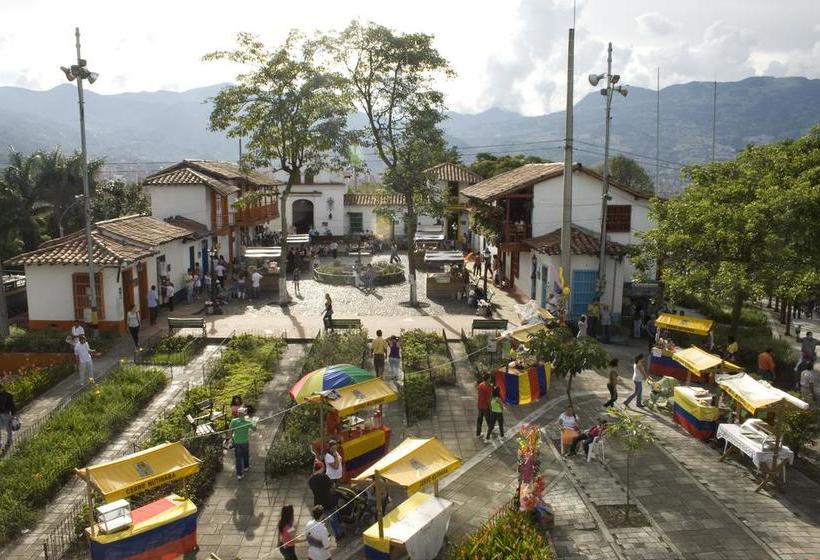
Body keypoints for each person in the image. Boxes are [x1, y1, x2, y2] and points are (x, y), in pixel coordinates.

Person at [308, 461, 342, 541]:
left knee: (321, 519)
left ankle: (325, 534)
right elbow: (333, 486)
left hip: (318, 503)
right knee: (333, 518)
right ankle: (338, 534)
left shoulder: (311, 479)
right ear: (322, 468)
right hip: (328, 501)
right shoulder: (324, 477)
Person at [229, 406, 254, 480]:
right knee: (245, 455)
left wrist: (231, 439)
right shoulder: (248, 421)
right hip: (244, 442)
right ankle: (246, 467)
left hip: (236, 442)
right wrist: (254, 422)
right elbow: (254, 429)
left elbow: (230, 430)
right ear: (244, 414)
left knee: (238, 458)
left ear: (238, 414)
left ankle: (239, 475)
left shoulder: (234, 421)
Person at [476, 374, 493, 438]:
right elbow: (488, 399)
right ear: (488, 379)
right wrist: (490, 407)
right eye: (490, 378)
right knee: (488, 419)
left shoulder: (480, 385)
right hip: (486, 407)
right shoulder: (488, 388)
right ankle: (490, 431)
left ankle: (478, 434)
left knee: (479, 420)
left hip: (480, 405)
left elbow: (478, 392)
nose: (491, 379)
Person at [0, 386, 16, 451]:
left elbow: (12, 405)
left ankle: (9, 440)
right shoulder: (9, 395)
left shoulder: (8, 395)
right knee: (8, 428)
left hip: (6, 414)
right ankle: (7, 441)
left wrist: (13, 414)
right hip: (4, 414)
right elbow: (13, 405)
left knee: (8, 428)